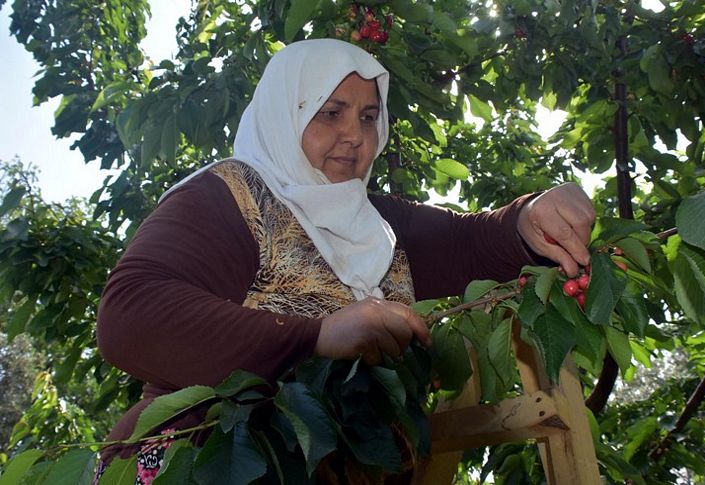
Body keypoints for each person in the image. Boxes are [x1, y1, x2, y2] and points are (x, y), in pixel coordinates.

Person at [95, 38, 595, 482]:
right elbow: (132, 315)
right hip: (199, 461)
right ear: (284, 114)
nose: (355, 134)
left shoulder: (375, 220)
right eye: (330, 112)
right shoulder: (226, 196)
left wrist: (532, 214)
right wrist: (312, 337)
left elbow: (472, 240)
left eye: (368, 117)